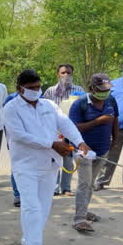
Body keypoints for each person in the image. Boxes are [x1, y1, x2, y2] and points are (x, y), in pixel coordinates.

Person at [3, 69, 88, 245]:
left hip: (50, 164)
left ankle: (30, 238)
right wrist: (52, 144)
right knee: (31, 205)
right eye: (31, 88)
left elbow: (65, 123)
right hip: (26, 165)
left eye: (38, 87)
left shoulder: (48, 104)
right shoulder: (11, 108)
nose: (36, 91)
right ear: (19, 89)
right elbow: (19, 135)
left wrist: (79, 142)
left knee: (43, 206)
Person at [68, 74, 119, 232]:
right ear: (92, 89)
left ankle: (84, 210)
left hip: (103, 149)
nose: (105, 92)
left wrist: (115, 139)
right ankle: (79, 219)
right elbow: (73, 128)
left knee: (91, 183)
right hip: (83, 151)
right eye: (102, 90)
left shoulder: (111, 100)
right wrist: (98, 121)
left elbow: (114, 119)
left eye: (107, 89)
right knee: (84, 183)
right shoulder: (80, 104)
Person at [96, 58, 123, 192]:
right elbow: (103, 101)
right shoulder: (114, 85)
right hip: (115, 127)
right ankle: (101, 181)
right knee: (109, 155)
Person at [43, 64, 86, 196]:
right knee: (54, 158)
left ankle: (66, 188)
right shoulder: (50, 91)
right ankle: (54, 187)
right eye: (63, 73)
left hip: (71, 129)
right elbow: (44, 109)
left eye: (68, 72)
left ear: (72, 74)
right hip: (54, 130)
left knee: (68, 158)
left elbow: (84, 108)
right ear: (58, 74)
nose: (66, 75)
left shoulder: (79, 90)